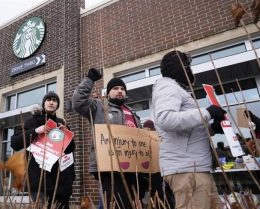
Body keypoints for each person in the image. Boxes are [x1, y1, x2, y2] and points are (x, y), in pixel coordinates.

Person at [152, 50, 226, 209]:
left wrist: (212, 129)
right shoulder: (167, 86)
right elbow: (166, 119)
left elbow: (187, 131)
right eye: (187, 66)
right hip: (186, 170)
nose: (190, 69)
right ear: (180, 67)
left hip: (196, 167)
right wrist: (207, 112)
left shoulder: (177, 89)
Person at [72, 68, 145, 209]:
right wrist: (89, 79)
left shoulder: (132, 112)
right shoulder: (99, 106)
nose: (120, 91)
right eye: (116, 88)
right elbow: (78, 102)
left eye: (122, 89)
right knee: (115, 203)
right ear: (108, 91)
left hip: (133, 168)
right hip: (110, 167)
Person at [11, 91, 75, 209]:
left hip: (61, 182)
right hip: (40, 181)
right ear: (44, 103)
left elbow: (70, 149)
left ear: (57, 105)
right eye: (49, 100)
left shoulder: (61, 122)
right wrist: (35, 131)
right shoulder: (32, 121)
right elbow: (15, 143)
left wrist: (66, 134)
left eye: (54, 100)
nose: (51, 102)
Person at [142, 120, 175, 209]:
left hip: (159, 175)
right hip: (154, 176)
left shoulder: (158, 139)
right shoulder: (144, 141)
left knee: (161, 195)